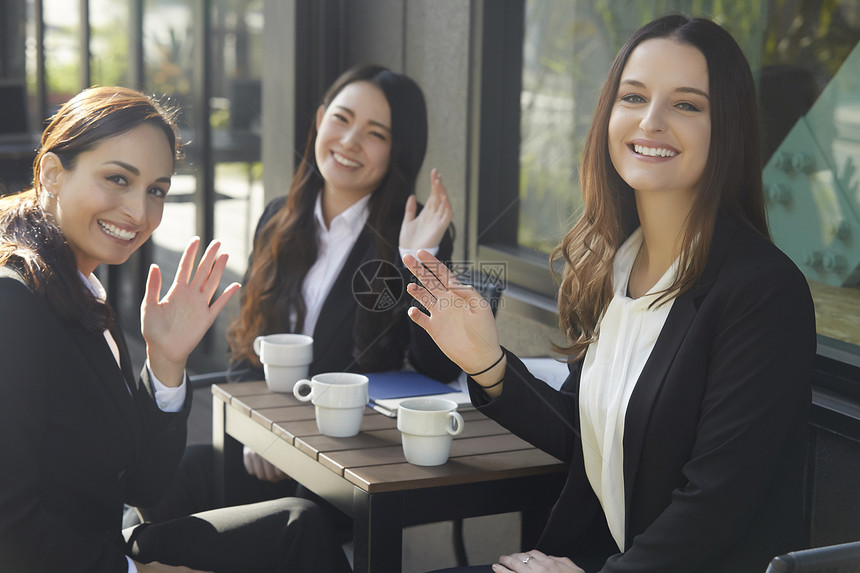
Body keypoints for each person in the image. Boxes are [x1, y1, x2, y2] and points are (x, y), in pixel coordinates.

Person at [405, 14, 815, 573]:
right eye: (634, 97)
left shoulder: (763, 292)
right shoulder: (618, 263)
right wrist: (487, 364)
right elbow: (588, 437)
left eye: (687, 105)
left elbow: (719, 503)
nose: (651, 121)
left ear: (730, 129)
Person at [0, 86, 351, 573]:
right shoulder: (13, 302)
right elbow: (8, 528)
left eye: (156, 190)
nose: (139, 213)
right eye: (117, 178)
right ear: (53, 174)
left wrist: (165, 363)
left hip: (97, 543)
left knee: (298, 526)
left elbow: (142, 485)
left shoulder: (77, 290)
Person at [141, 64, 459, 523]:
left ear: (397, 151)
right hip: (265, 445)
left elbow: (436, 367)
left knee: (278, 527)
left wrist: (419, 257)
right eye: (342, 119)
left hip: (348, 459)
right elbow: (248, 341)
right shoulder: (278, 217)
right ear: (320, 118)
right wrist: (260, 432)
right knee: (161, 488)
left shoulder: (415, 232)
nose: (349, 142)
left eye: (375, 134)